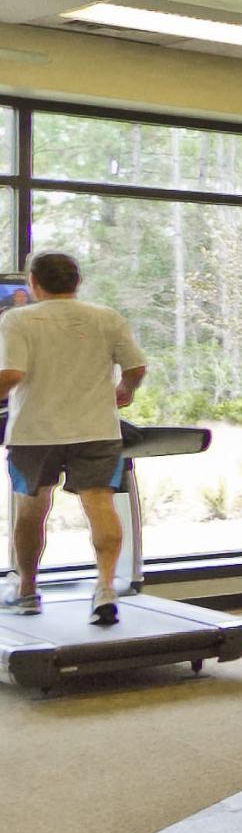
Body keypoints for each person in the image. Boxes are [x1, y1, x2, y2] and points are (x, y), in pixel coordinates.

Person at [1, 251, 147, 624]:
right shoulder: (106, 317)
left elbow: (12, 374)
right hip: (96, 430)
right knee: (99, 504)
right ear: (77, 282)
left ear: (33, 283)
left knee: (32, 510)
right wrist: (125, 390)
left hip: (35, 433)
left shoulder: (17, 319)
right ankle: (105, 589)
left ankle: (27, 591)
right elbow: (136, 367)